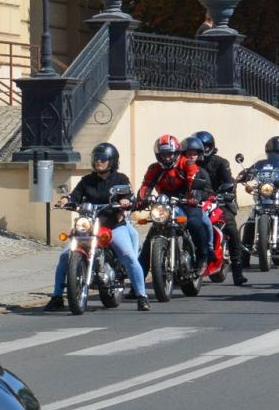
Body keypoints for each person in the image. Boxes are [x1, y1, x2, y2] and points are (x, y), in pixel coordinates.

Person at [51, 142, 150, 310]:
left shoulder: (120, 179)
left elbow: (128, 195)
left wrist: (125, 200)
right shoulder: (87, 181)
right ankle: (57, 296)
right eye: (96, 158)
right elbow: (75, 195)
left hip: (113, 226)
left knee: (129, 256)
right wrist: (66, 200)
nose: (98, 162)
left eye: (103, 159)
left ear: (112, 161)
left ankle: (141, 295)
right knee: (64, 256)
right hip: (88, 227)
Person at [137, 133, 214, 273]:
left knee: (194, 223)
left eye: (170, 154)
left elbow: (193, 177)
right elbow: (146, 185)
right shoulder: (154, 168)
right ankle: (138, 285)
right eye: (163, 154)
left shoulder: (187, 163)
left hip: (187, 201)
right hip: (164, 204)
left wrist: (194, 195)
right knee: (151, 236)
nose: (166, 157)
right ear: (158, 155)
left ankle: (203, 258)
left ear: (176, 153)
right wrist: (141, 199)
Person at [194, 130, 248, 286]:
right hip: (197, 201)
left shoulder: (220, 163)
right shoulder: (190, 163)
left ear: (210, 147)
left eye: (204, 147)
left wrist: (226, 193)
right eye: (198, 148)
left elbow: (229, 182)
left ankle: (237, 270)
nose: (201, 151)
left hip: (220, 200)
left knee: (231, 228)